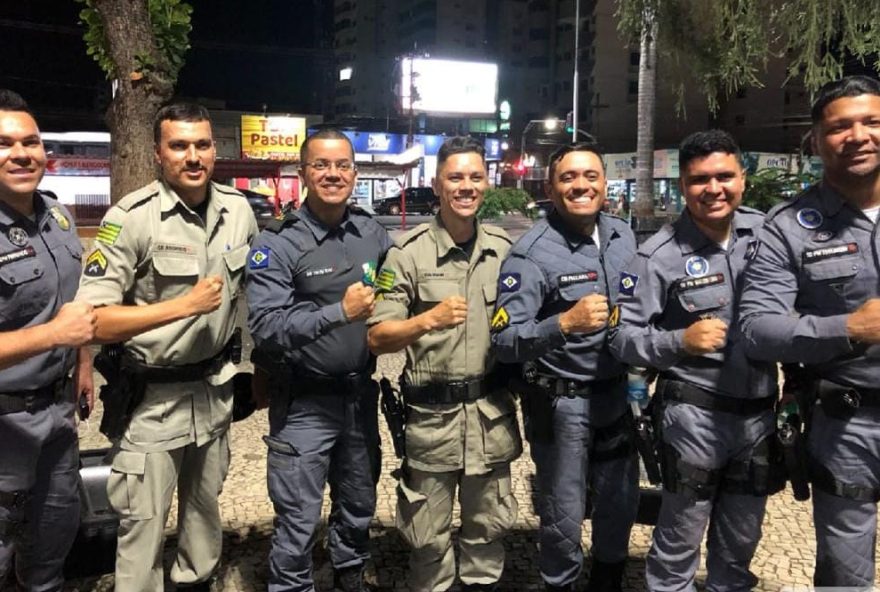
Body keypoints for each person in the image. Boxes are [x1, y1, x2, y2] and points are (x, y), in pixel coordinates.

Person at [76, 102, 258, 592]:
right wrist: (182, 307)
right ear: (159, 153)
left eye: (201, 144)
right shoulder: (130, 219)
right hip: (152, 403)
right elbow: (92, 320)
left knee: (203, 516)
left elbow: (253, 292)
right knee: (143, 525)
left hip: (214, 395)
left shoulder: (238, 211)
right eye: (179, 145)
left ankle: (197, 583)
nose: (192, 156)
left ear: (214, 150)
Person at [609, 129, 781, 592]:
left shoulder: (769, 236)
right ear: (683, 186)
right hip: (695, 416)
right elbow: (621, 338)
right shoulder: (655, 257)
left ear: (742, 178)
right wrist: (678, 341)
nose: (713, 188)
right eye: (699, 179)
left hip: (759, 416)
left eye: (724, 176)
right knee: (679, 541)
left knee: (741, 542)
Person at [738, 75, 880, 587]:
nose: (857, 135)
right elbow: (757, 328)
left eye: (871, 122)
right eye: (839, 127)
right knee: (845, 572)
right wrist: (850, 328)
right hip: (848, 423)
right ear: (817, 141)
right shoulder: (789, 227)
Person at [366, 136, 521, 592]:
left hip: (491, 419)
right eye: (455, 177)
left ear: (486, 182)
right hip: (432, 422)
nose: (466, 186)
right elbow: (377, 336)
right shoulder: (405, 253)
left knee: (487, 533)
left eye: (475, 176)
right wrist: (427, 319)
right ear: (436, 184)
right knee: (427, 540)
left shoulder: (503, 248)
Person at [246, 128, 393, 592]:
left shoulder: (372, 232)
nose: (333, 174)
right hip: (304, 404)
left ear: (355, 170)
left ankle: (350, 582)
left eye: (342, 165)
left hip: (358, 396)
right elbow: (266, 326)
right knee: (298, 521)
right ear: (303, 173)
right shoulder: (279, 243)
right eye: (321, 165)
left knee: (357, 506)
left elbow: (396, 294)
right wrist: (338, 313)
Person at [492, 142, 639, 592]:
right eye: (569, 178)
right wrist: (563, 324)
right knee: (563, 512)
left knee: (620, 502)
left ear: (604, 183)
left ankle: (609, 580)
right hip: (562, 405)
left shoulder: (622, 235)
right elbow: (504, 340)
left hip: (616, 396)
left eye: (590, 176)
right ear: (552, 188)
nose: (581, 185)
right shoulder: (530, 254)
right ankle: (560, 582)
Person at [0, 90, 96, 591]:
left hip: (57, 420)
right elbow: (59, 324)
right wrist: (54, 335)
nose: (21, 153)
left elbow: (74, 304)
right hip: (4, 427)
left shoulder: (56, 217)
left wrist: (80, 361)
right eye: (4, 143)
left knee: (49, 553)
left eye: (30, 141)